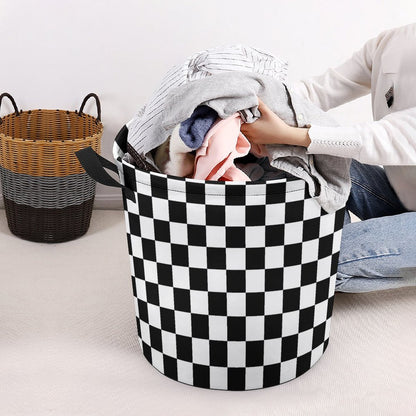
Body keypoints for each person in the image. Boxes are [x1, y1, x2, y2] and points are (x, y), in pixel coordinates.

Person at [241, 23, 416, 293]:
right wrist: (249, 106)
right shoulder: (392, 42)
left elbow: (386, 136)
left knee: (320, 262)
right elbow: (317, 92)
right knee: (311, 160)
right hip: (404, 197)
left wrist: (289, 133)